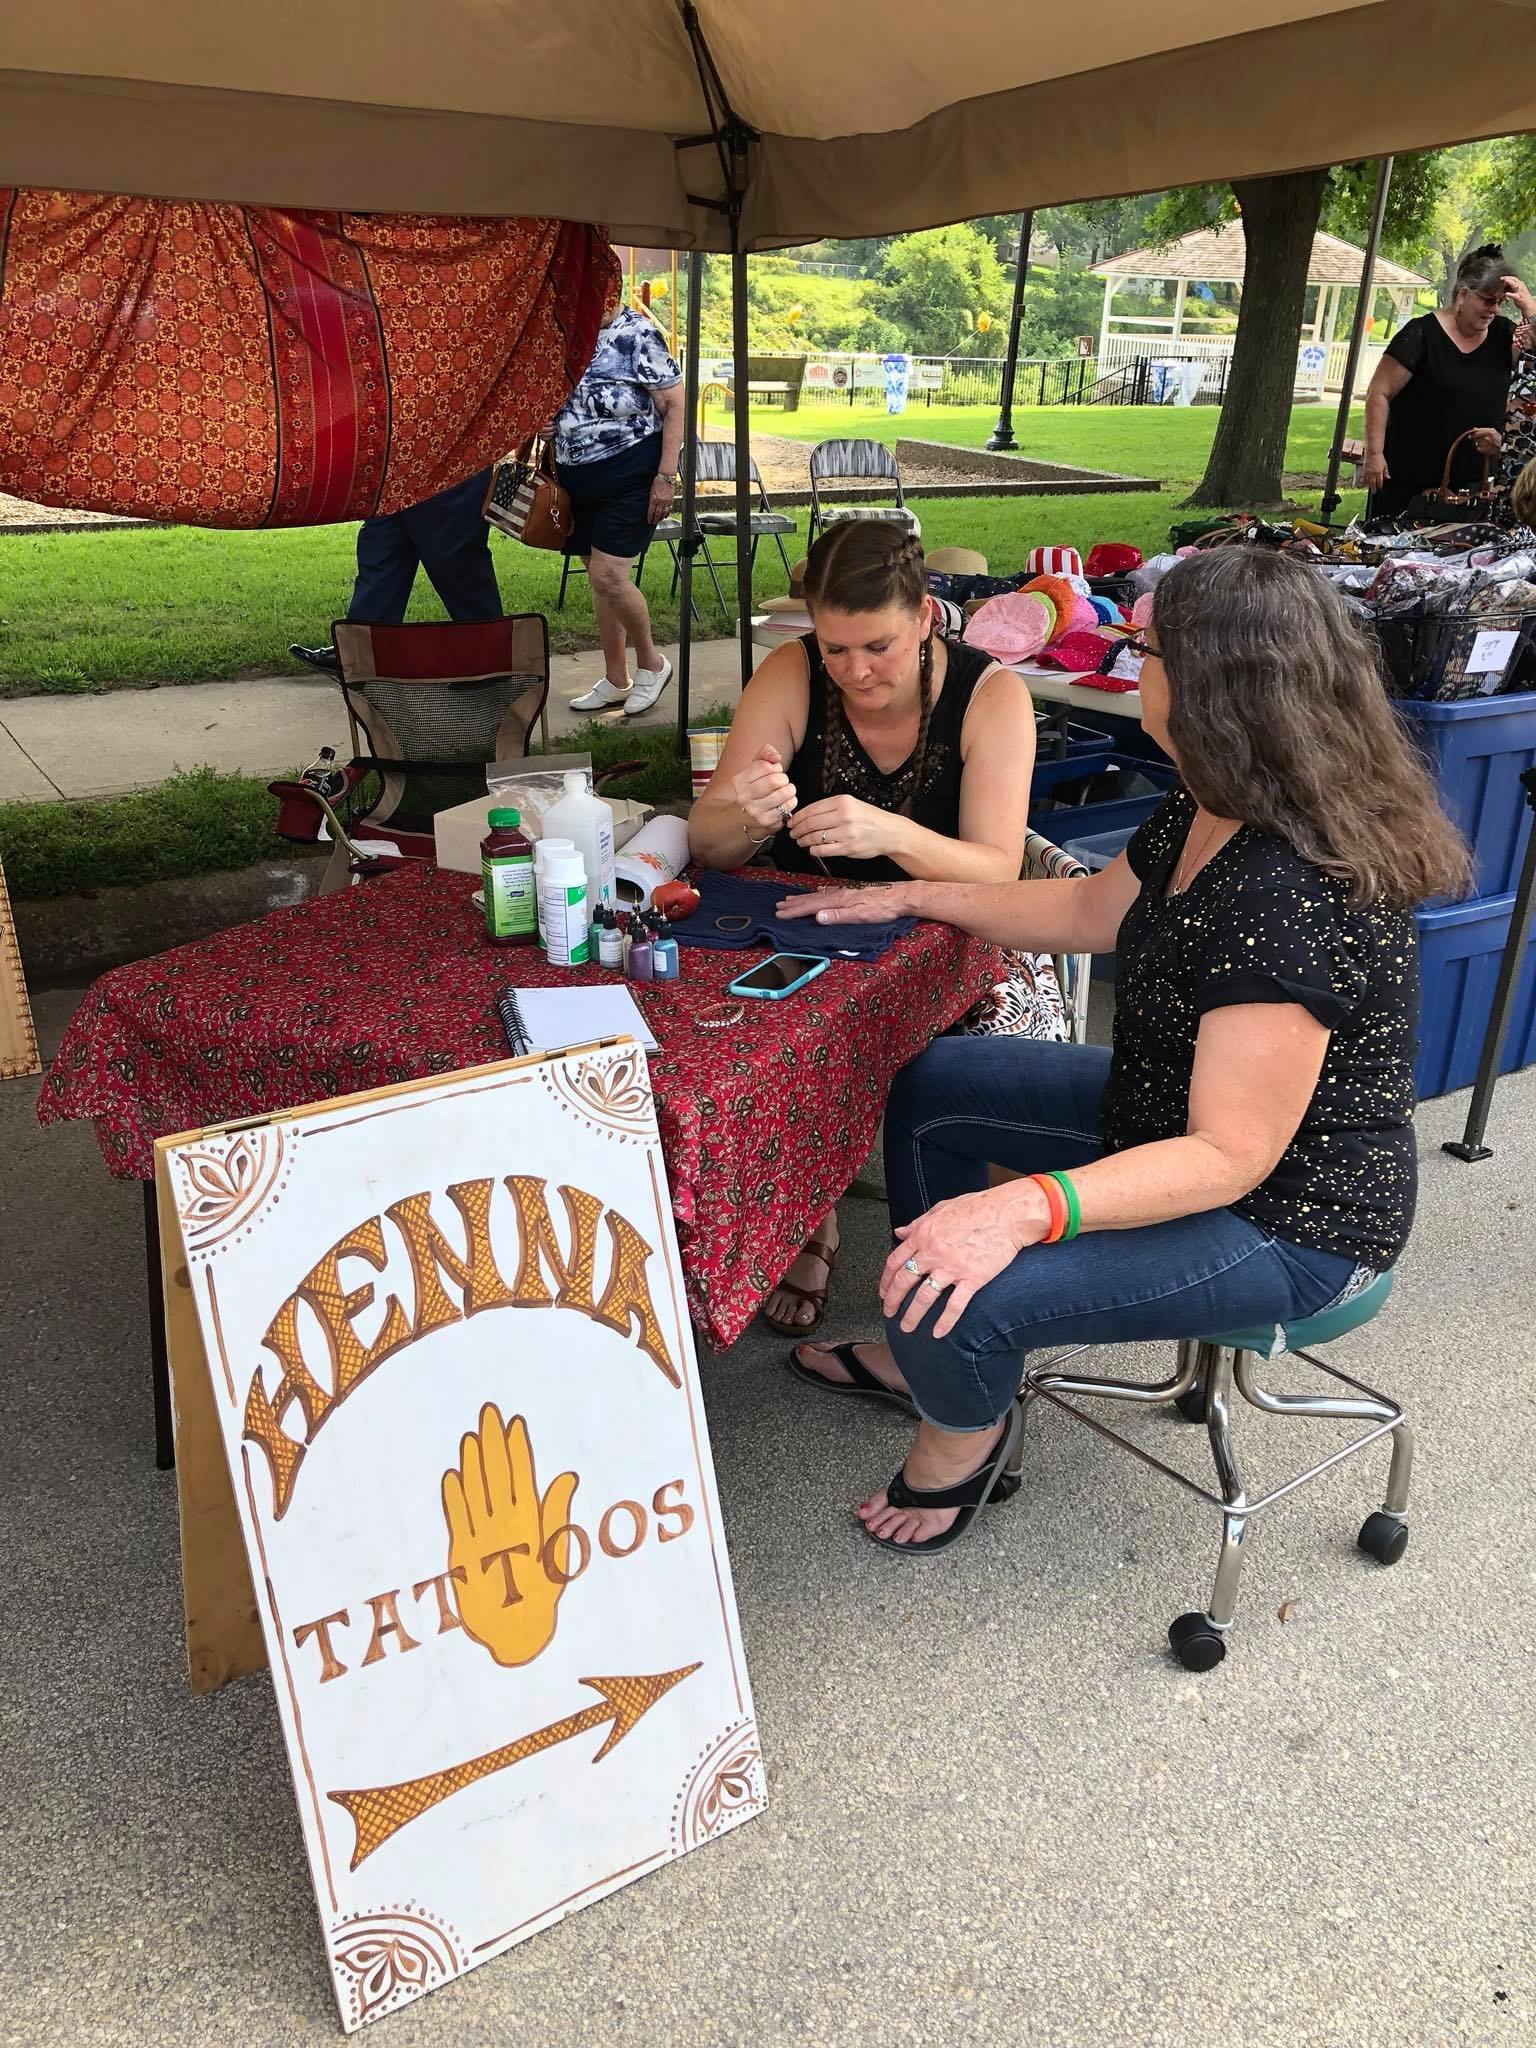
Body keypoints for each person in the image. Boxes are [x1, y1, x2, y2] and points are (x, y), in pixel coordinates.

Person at [779, 549, 1470, 1555]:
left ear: (1206, 689)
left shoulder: (1281, 888)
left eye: (1147, 651)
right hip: (1170, 1115)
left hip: (1288, 1219)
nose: (1131, 663)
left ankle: (960, 1436)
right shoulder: (1213, 799)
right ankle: (928, 1351)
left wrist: (1020, 1208)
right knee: (936, 1086)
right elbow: (1087, 910)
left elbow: (1230, 1155)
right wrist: (911, 894)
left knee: (964, 1284)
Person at [688, 520, 1052, 1337]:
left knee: (1002, 1061)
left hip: (952, 932)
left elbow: (998, 869)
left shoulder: (989, 695)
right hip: (809, 926)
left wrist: (891, 834)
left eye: (878, 646)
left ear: (924, 617)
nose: (855, 672)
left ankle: (981, 1259)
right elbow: (708, 842)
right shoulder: (791, 672)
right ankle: (805, 1214)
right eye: (836, 649)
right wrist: (745, 817)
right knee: (730, 1026)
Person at [552, 302, 686, 718]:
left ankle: (652, 664)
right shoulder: (570, 331)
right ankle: (615, 678)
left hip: (630, 472)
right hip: (577, 478)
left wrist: (666, 476)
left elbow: (675, 405)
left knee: (608, 575)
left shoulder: (637, 334)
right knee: (599, 579)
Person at [1361, 246, 1535, 520]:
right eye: (1488, 300)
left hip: (1475, 486)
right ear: (1463, 295)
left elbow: (1532, 366)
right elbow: (1379, 392)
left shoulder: (1504, 334)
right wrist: (1374, 454)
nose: (1494, 309)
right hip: (1408, 480)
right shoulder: (1420, 335)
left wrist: (1530, 309)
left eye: (1500, 302)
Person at [289, 466, 501, 672]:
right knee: (380, 556)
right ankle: (358, 655)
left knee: (457, 565)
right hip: (396, 469)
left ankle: (490, 660)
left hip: (451, 466)